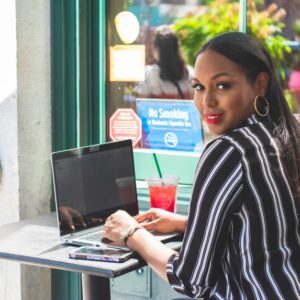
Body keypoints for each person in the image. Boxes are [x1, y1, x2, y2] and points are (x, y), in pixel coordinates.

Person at [103, 32, 300, 299]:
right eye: (198, 87)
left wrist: (131, 232)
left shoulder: (229, 152)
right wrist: (189, 224)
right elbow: (271, 228)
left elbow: (191, 280)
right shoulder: (286, 135)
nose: (206, 102)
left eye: (222, 86)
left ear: (260, 84)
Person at [135, 25, 194, 100]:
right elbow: (194, 102)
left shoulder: (149, 73)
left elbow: (141, 104)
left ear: (156, 49)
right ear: (177, 48)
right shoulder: (188, 72)